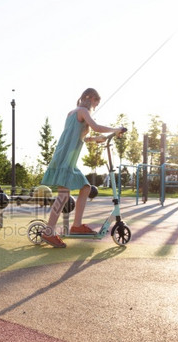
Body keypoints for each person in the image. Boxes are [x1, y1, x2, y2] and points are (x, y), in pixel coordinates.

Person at [39, 88, 126, 248]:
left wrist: (96, 139)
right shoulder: (82, 110)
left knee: (85, 188)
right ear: (89, 97)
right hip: (65, 158)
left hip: (67, 158)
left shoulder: (73, 113)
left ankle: (77, 225)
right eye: (95, 102)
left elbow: (79, 136)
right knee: (63, 196)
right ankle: (48, 232)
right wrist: (116, 129)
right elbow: (97, 126)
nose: (94, 106)